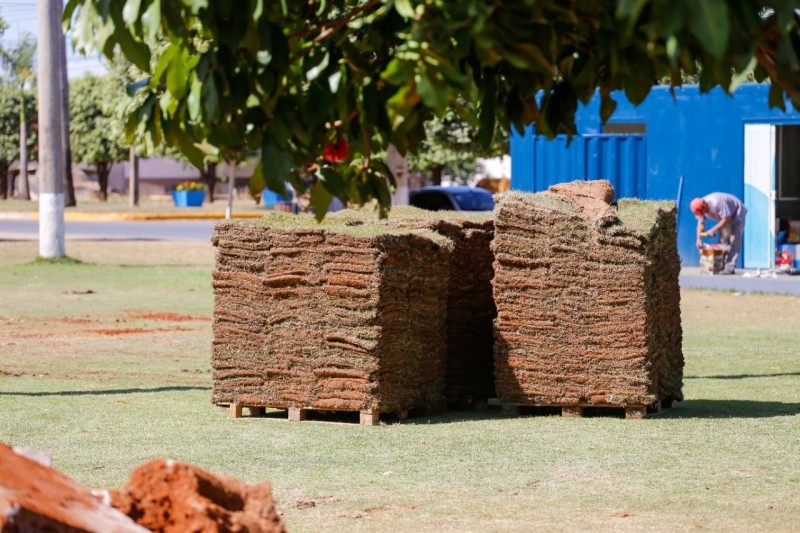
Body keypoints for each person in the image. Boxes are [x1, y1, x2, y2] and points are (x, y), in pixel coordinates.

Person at [691, 192, 748, 275]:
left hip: (736, 212)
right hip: (724, 217)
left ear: (704, 205)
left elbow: (727, 218)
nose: (703, 214)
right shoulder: (700, 207)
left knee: (734, 240)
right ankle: (719, 265)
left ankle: (729, 268)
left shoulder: (717, 202)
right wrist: (698, 239)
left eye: (702, 212)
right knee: (723, 240)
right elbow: (701, 223)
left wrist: (713, 230)